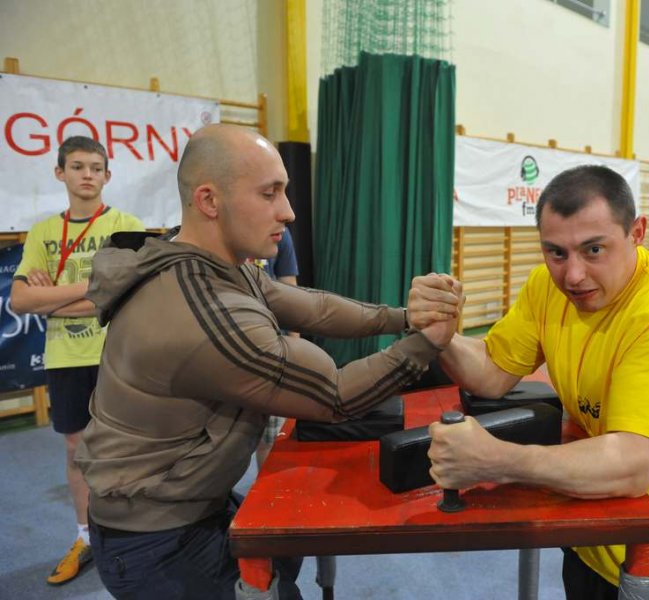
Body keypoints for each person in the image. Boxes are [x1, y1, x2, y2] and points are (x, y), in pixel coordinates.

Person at [74, 123, 460, 599]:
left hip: (184, 506)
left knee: (284, 553)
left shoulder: (213, 263)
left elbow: (313, 307)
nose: (289, 211)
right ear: (210, 201)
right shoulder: (204, 312)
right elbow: (334, 394)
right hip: (157, 542)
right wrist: (428, 341)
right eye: (269, 193)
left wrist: (405, 317)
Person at [420, 165, 649, 599]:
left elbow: (632, 466)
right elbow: (491, 372)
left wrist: (498, 461)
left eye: (594, 250)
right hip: (586, 525)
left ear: (637, 232)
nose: (573, 276)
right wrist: (442, 337)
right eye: (556, 252)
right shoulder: (548, 286)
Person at [10, 136, 145, 586]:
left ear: (108, 175)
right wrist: (92, 291)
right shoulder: (43, 233)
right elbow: (20, 299)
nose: (87, 174)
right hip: (65, 357)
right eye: (77, 166)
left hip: (118, 354)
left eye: (95, 167)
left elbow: (126, 293)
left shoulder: (127, 225)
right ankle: (86, 535)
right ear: (60, 173)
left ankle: (136, 530)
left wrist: (50, 299)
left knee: (128, 444)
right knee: (77, 449)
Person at [251, 228, 300, 468]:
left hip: (271, 351)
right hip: (226, 353)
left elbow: (290, 291)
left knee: (270, 439)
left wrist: (295, 346)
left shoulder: (281, 233)